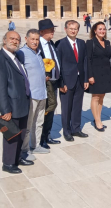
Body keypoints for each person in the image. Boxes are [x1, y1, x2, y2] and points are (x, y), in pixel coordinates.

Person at [0, 31, 32, 173]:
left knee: (21, 133)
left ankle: (18, 157)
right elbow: (0, 88)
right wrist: (5, 110)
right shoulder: (0, 60)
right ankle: (8, 163)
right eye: (12, 39)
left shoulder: (15, 56)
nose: (15, 41)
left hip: (22, 102)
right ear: (4, 40)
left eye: (17, 39)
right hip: (12, 106)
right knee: (11, 135)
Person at [16, 29, 49, 162]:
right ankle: (24, 150)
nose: (35, 42)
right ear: (26, 39)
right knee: (28, 125)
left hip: (42, 93)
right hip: (32, 95)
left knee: (39, 122)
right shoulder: (22, 53)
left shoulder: (38, 53)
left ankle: (35, 145)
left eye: (37, 39)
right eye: (32, 39)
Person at [55, 20, 89, 141]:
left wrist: (85, 79)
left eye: (75, 29)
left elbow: (84, 61)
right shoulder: (60, 44)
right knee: (66, 107)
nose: (73, 31)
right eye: (71, 28)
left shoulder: (81, 43)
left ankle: (76, 128)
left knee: (77, 106)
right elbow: (58, 65)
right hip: (66, 81)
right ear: (66, 29)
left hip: (80, 80)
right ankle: (67, 131)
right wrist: (61, 83)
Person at [37, 19, 61, 149]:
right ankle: (40, 138)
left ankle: (47, 135)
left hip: (54, 82)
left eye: (53, 28)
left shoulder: (51, 44)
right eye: (50, 29)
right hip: (45, 84)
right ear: (42, 32)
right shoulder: (37, 46)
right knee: (44, 111)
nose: (53, 31)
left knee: (51, 110)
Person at [86, 22, 111, 132]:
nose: (102, 31)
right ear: (95, 31)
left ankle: (98, 118)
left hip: (106, 73)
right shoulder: (90, 43)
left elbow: (109, 58)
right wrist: (90, 76)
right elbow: (88, 60)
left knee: (102, 97)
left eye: (104, 29)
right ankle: (97, 121)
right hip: (95, 74)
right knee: (95, 97)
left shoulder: (107, 42)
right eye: (100, 29)